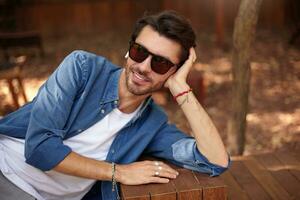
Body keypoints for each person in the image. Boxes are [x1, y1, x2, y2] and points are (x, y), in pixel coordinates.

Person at [0, 10, 230, 200]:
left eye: (160, 63)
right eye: (139, 52)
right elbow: (39, 148)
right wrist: (118, 172)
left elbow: (215, 161)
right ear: (128, 49)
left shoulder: (152, 124)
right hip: (8, 171)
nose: (143, 67)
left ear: (174, 71)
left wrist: (180, 88)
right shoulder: (82, 69)